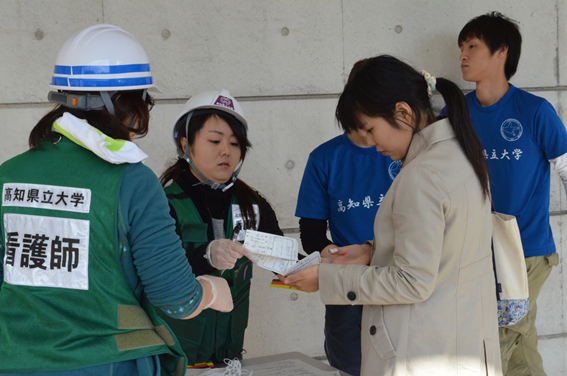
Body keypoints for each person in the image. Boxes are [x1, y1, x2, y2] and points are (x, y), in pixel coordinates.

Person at [0, 24, 233, 376]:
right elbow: (177, 299)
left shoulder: (9, 174)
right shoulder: (132, 181)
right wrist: (211, 291)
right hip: (107, 364)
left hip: (15, 361)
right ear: (125, 104)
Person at [279, 55, 502, 376]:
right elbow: (446, 241)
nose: (370, 143)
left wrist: (326, 278)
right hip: (462, 342)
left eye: (370, 129)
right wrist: (372, 249)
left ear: (403, 111)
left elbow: (412, 282)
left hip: (422, 350)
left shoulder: (421, 174)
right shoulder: (460, 150)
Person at [456, 12, 567, 375]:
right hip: (473, 250)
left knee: (498, 339)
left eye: (472, 45)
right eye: (461, 47)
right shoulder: (455, 114)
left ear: (501, 52)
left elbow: (565, 166)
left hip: (526, 253)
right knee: (519, 345)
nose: (463, 55)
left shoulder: (535, 110)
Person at [158, 89, 284, 366]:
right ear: (185, 144)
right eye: (214, 140)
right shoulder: (161, 203)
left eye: (235, 143)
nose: (226, 150)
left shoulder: (252, 203)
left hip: (229, 357)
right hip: (174, 360)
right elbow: (154, 267)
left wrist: (318, 264)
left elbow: (282, 258)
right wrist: (206, 252)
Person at [295, 59, 398, 376]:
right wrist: (328, 253)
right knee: (349, 366)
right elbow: (311, 232)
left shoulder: (405, 153)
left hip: (397, 280)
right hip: (346, 291)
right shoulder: (325, 158)